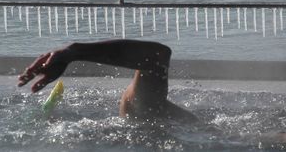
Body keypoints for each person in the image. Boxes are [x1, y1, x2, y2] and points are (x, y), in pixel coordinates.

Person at [18, 39, 198, 121]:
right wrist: (75, 52)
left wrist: (75, 52)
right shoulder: (158, 116)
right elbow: (155, 57)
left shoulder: (157, 114)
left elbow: (155, 57)